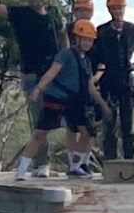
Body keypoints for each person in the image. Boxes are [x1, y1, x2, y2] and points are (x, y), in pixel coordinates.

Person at [18, 19, 110, 179]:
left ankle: (75, 166)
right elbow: (52, 72)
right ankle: (22, 169)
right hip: (57, 97)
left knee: (87, 132)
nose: (87, 43)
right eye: (85, 39)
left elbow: (90, 87)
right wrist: (38, 88)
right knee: (40, 134)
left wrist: (104, 106)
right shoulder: (66, 54)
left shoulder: (86, 62)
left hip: (74, 101)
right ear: (77, 39)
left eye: (90, 40)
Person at [92, 0, 134, 160]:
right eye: (113, 8)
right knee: (109, 125)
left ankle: (129, 160)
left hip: (126, 80)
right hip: (107, 80)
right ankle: (110, 162)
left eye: (119, 8)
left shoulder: (131, 29)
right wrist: (98, 71)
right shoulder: (102, 31)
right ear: (109, 10)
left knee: (127, 126)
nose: (117, 11)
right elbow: (95, 54)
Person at [0, 0, 61, 85]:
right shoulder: (20, 13)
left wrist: (64, 57)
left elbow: (63, 33)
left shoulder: (53, 14)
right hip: (32, 73)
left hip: (55, 72)